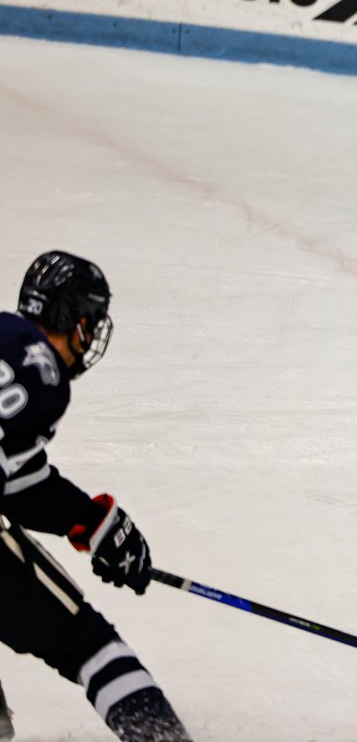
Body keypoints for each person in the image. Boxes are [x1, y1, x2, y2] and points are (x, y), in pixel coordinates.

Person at [0, 251, 191, 742]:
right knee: (85, 643)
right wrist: (96, 524)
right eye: (92, 321)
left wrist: (89, 523)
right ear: (75, 319)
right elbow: (20, 489)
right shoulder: (42, 374)